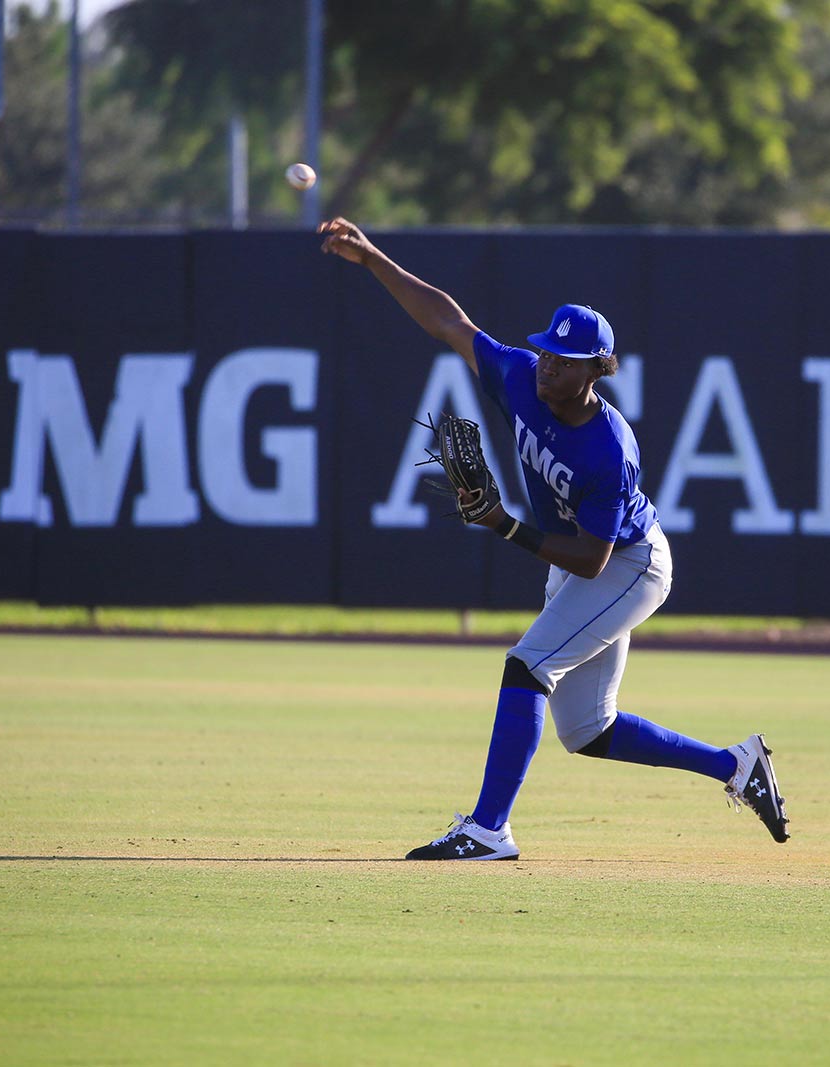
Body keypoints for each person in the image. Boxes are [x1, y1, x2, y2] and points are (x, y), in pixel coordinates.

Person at [319, 217, 789, 860]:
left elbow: (594, 562)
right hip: (580, 560)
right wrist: (373, 259)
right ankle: (735, 766)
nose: (544, 366)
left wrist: (506, 525)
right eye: (543, 351)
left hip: (628, 565)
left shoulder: (608, 449)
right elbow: (449, 323)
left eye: (561, 361)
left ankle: (488, 829)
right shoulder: (522, 377)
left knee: (527, 665)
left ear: (594, 371)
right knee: (587, 730)